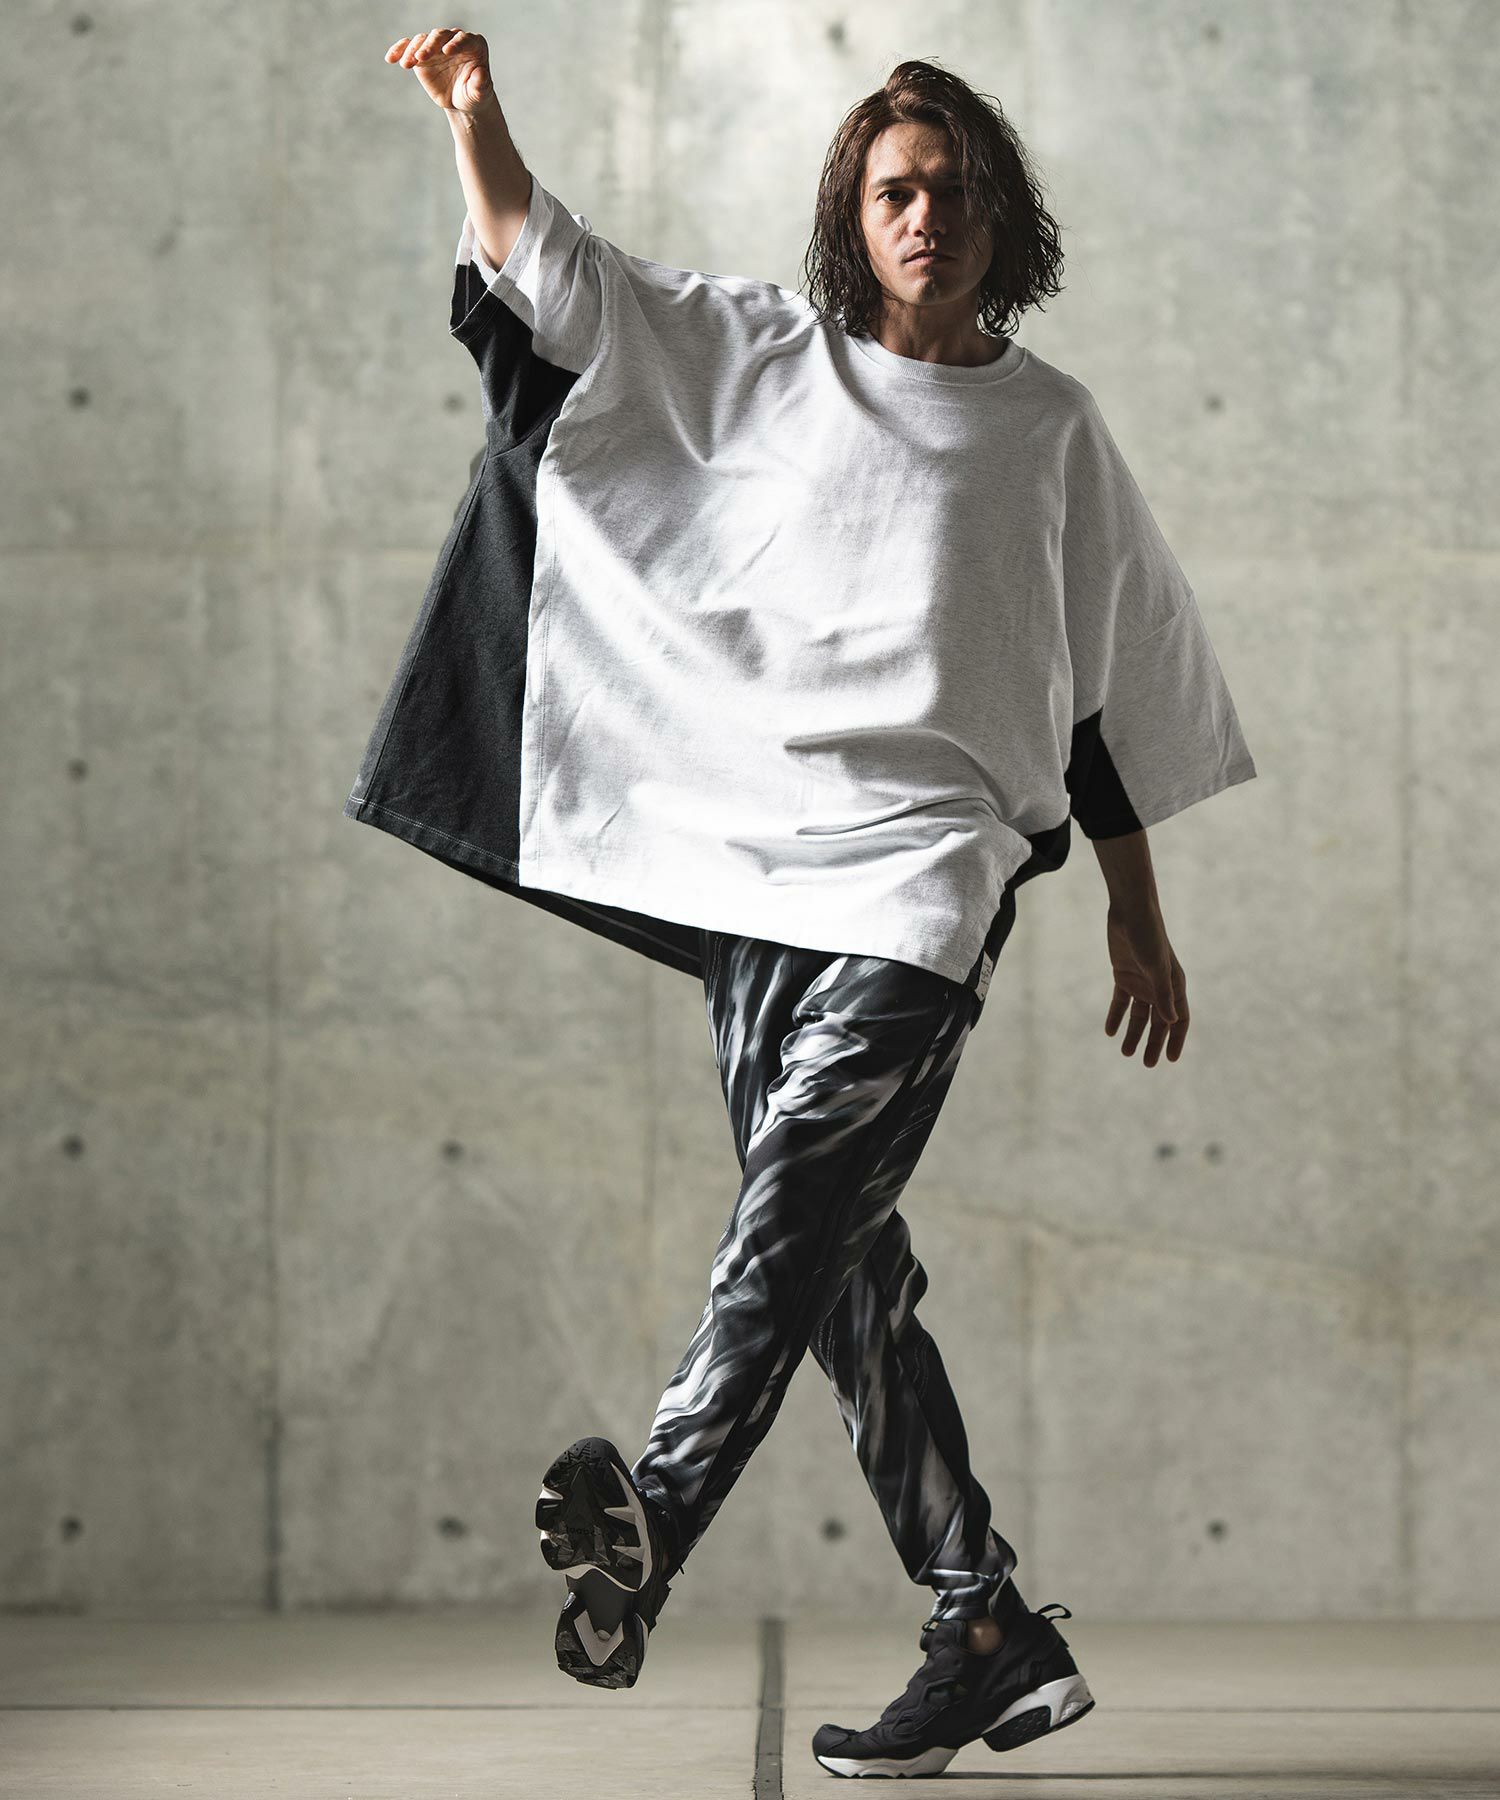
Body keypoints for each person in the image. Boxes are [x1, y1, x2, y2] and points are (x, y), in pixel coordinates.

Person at [353, 28, 1259, 1779]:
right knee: (845, 1275)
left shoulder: (1052, 431)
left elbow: (1102, 698)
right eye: (899, 190)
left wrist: (1137, 911)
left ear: (1002, 218)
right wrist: (477, 120)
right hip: (760, 884)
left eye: (958, 190)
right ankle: (983, 1624)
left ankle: (661, 1510)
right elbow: (561, 276)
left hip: (928, 883)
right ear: (858, 215)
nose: (930, 214)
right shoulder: (770, 359)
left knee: (788, 1219)